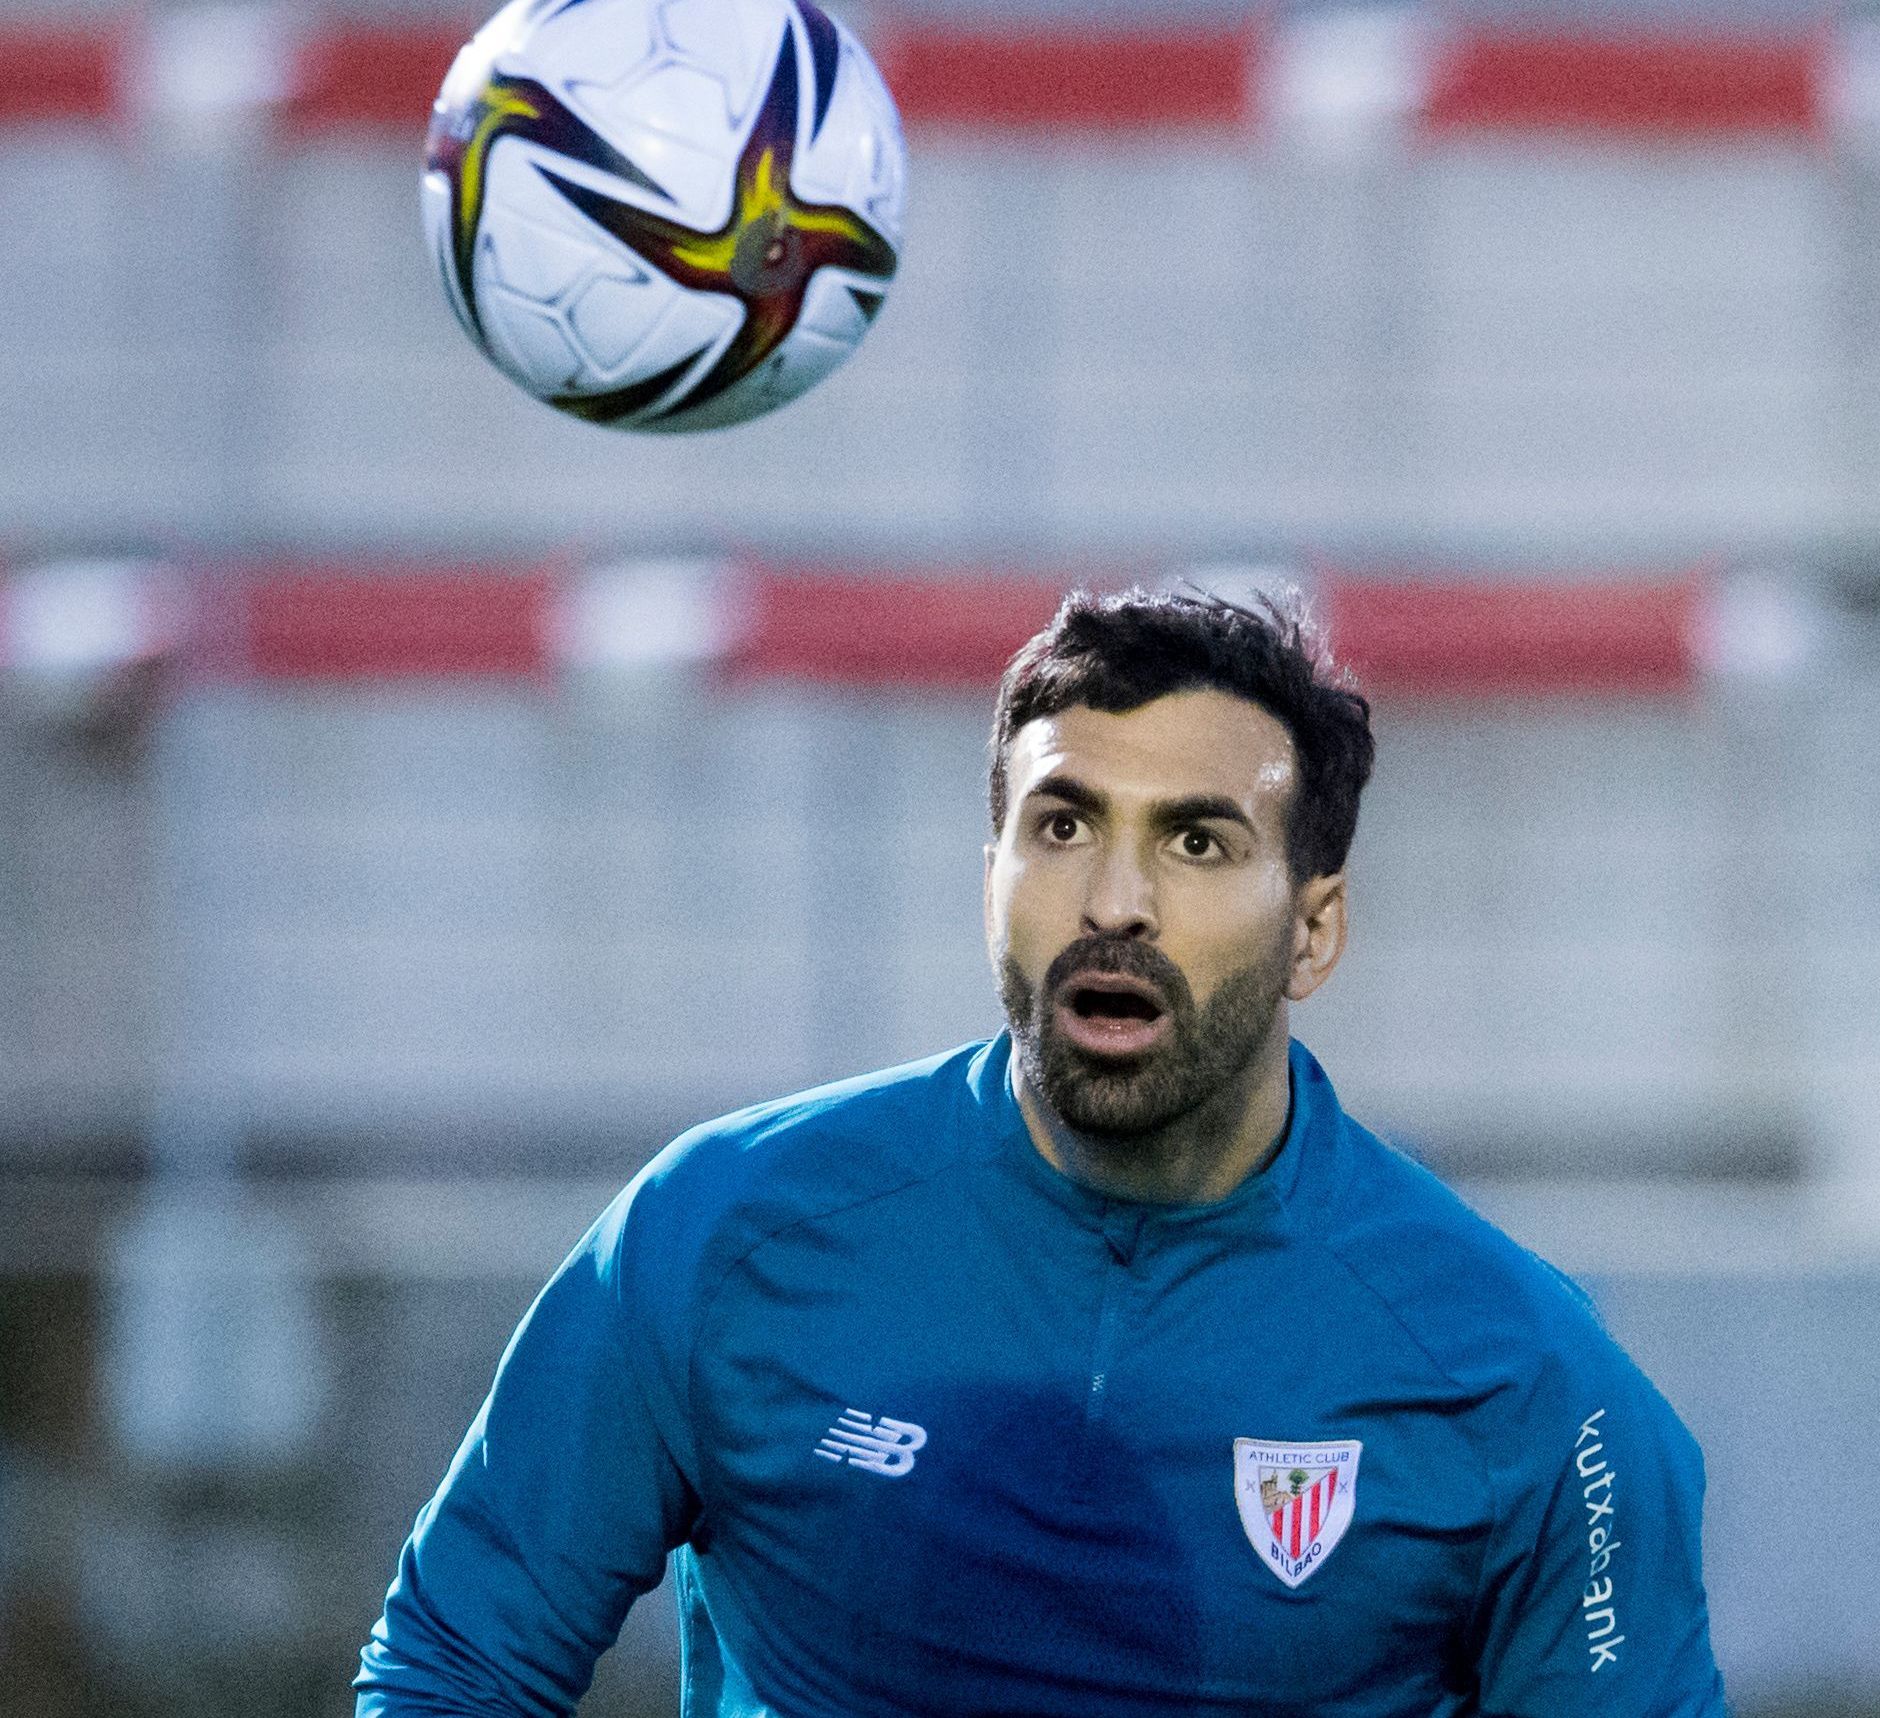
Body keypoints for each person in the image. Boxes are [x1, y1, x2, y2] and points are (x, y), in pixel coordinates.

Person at [355, 589, 1728, 1716]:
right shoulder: (724, 1232)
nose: (1114, 902)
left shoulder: (1531, 1384)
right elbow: (455, 1665)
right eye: (1062, 826)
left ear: (1314, 927)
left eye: (1197, 840)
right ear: (993, 873)